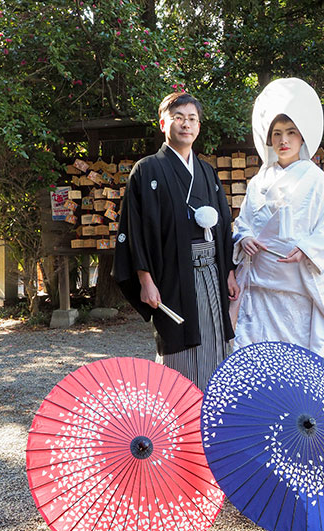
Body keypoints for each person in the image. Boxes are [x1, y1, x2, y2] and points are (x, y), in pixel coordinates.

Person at [113, 91, 239, 390]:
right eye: (178, 118)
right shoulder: (146, 170)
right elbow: (135, 230)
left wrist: (230, 270)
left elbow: (223, 224)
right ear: (162, 124)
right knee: (176, 347)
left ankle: (211, 414)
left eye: (192, 119)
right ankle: (179, 417)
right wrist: (145, 280)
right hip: (170, 276)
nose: (186, 124)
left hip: (212, 272)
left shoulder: (207, 172)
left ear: (198, 126)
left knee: (216, 340)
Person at [232, 78, 324, 365]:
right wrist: (243, 237)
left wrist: (308, 247)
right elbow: (242, 222)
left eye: (291, 133)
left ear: (302, 136)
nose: (283, 141)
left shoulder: (316, 180)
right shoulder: (259, 181)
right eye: (277, 133)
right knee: (256, 354)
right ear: (269, 139)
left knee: (297, 356)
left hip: (296, 286)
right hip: (258, 288)